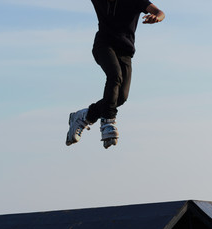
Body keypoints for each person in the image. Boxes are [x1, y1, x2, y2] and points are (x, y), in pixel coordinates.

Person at [66, 0, 165, 149]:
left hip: (125, 52)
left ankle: (84, 116)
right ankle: (108, 121)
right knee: (115, 75)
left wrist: (156, 17)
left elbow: (159, 12)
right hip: (103, 46)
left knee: (120, 97)